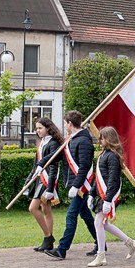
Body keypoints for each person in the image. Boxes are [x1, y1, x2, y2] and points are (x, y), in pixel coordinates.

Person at [45, 110, 98, 259]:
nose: (64, 126)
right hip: (78, 185)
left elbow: (84, 166)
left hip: (82, 186)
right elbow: (56, 156)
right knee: (86, 216)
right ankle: (101, 243)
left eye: (65, 123)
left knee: (71, 215)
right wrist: (41, 164)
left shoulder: (84, 141)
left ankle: (62, 249)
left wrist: (76, 185)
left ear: (69, 123)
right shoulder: (71, 139)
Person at [87, 126, 135, 266]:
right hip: (101, 194)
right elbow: (97, 177)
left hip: (108, 196)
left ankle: (101, 256)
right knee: (105, 225)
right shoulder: (103, 154)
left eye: (102, 138)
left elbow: (113, 179)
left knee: (98, 223)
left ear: (109, 139)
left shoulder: (112, 156)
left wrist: (108, 200)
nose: (100, 141)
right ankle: (130, 243)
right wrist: (91, 194)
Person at [29, 117, 62, 253]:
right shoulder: (41, 142)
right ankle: (48, 242)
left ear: (48, 128)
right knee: (46, 210)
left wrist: (50, 188)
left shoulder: (53, 144)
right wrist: (28, 181)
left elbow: (53, 167)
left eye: (40, 128)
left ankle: (48, 237)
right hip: (39, 179)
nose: (37, 131)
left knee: (33, 208)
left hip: (47, 180)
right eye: (36, 128)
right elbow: (36, 164)